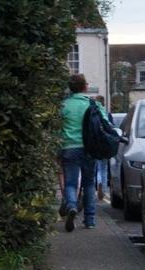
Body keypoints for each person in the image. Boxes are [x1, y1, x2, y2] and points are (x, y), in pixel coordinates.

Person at [60, 74, 99, 231]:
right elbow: (104, 124)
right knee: (89, 183)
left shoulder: (63, 106)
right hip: (89, 148)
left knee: (70, 182)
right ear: (85, 87)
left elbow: (57, 128)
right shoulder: (93, 105)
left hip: (69, 147)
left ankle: (71, 206)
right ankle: (89, 220)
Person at [94, 95, 112, 201]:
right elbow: (111, 128)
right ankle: (104, 190)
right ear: (104, 103)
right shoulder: (107, 114)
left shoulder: (93, 113)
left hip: (96, 144)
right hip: (105, 144)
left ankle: (98, 185)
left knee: (97, 168)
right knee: (104, 168)